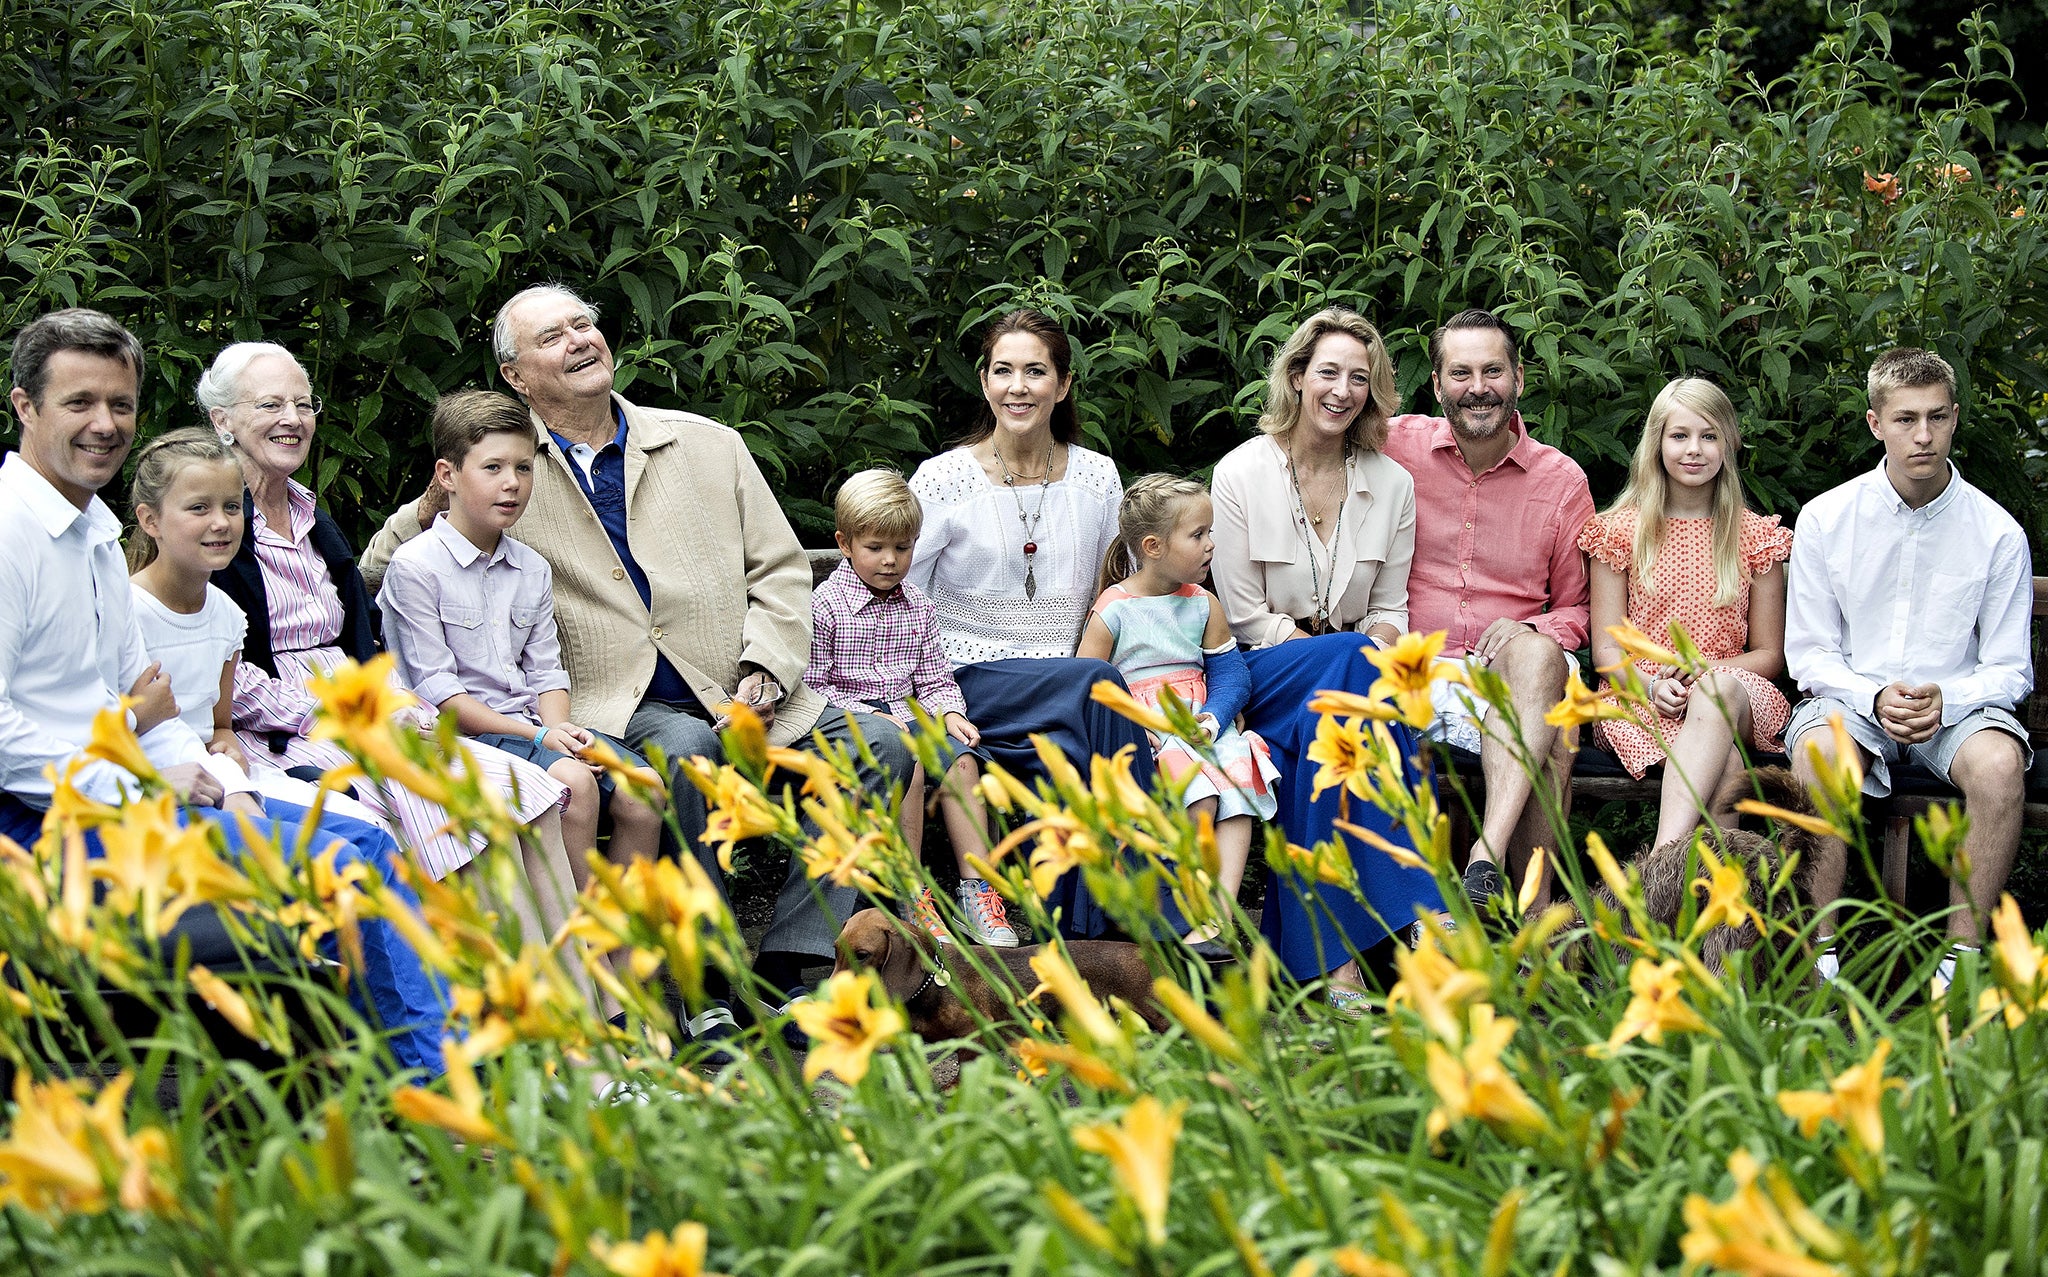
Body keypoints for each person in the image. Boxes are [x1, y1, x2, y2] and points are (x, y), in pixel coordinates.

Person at [360, 284, 913, 1012]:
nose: (580, 339)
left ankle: (788, 957)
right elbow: (380, 564)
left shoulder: (708, 444)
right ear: (516, 377)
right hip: (613, 703)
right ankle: (711, 978)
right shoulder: (504, 465)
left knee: (880, 745)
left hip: (740, 690)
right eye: (552, 336)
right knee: (685, 754)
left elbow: (781, 571)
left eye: (584, 323)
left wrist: (765, 673)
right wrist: (437, 496)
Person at [0, 309, 447, 1073]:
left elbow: (159, 703)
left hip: (129, 797)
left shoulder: (98, 538)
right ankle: (437, 1090)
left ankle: (418, 1079)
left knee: (368, 837)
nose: (104, 424)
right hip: (47, 830)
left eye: (120, 404)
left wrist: (224, 783)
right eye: (79, 403)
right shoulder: (12, 534)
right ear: (24, 406)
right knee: (344, 869)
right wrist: (136, 769)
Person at [202, 342, 580, 923]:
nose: (292, 419)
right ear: (221, 421)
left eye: (304, 404)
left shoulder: (309, 515)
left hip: (365, 702)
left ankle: (584, 1001)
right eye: (271, 404)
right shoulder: (210, 524)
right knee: (450, 808)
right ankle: (489, 995)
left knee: (526, 791)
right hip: (279, 725)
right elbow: (217, 666)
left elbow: (359, 639)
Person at [904, 308, 1158, 940]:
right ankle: (1155, 917)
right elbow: (900, 594)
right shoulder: (943, 479)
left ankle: (1090, 939)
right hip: (964, 682)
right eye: (1003, 370)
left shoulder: (1098, 476)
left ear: (1063, 385)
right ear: (984, 382)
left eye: (1035, 371)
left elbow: (1112, 588)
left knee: (1079, 750)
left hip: (1065, 690)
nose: (1018, 386)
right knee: (1095, 690)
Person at [1210, 307, 1441, 999]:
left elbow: (1390, 610)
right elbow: (1244, 616)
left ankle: (1335, 972)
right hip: (1262, 672)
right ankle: (1427, 908)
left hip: (1344, 685)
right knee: (1343, 669)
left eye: (1359, 378)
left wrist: (1358, 657)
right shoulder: (1240, 473)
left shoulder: (1392, 484)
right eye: (1328, 372)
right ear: (1298, 375)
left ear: (1374, 392)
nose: (1342, 390)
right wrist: (1347, 654)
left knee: (1329, 727)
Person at [1785, 347, 2034, 975]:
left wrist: (1947, 699)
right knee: (1820, 760)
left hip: (1955, 710)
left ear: (1955, 418)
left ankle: (1961, 962)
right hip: (1852, 699)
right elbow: (1809, 651)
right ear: (1876, 424)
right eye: (1905, 419)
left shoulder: (1997, 532)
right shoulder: (1826, 518)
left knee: (2002, 766)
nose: (1923, 435)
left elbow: (2011, 667)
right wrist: (1871, 698)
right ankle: (1819, 963)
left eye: (1937, 417)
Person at [376, 390, 665, 895]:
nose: (512, 484)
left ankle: (622, 962)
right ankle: (578, 958)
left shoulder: (530, 567)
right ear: (447, 476)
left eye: (523, 468)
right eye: (492, 468)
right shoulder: (416, 568)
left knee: (645, 790)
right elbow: (439, 693)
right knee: (573, 789)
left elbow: (547, 672)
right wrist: (539, 739)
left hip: (532, 728)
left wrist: (559, 733)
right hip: (459, 736)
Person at [1384, 308, 1596, 909]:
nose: (1478, 388)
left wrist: (1530, 626)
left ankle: (1486, 855)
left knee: (1539, 663)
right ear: (1437, 384)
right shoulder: (1395, 446)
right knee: (1556, 741)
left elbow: (1576, 609)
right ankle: (1521, 919)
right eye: (1461, 373)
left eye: (1493, 371)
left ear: (1520, 378)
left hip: (1513, 672)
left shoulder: (1561, 481)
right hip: (1415, 666)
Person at [126, 427, 392, 831]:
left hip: (215, 773)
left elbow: (219, 725)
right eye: (199, 508)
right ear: (151, 520)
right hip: (154, 786)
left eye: (232, 507)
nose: (221, 523)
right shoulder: (127, 612)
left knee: (366, 828)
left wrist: (227, 747)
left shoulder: (227, 616)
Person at [1581, 378, 1792, 848]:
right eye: (1679, 436)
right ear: (1657, 443)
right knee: (1728, 767)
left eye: (1709, 435)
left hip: (1735, 689)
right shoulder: (1620, 532)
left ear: (1729, 443)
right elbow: (1608, 650)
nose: (1694, 450)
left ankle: (1658, 866)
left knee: (1715, 695)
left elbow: (1769, 654)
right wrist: (1653, 686)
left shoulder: (1755, 537)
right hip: (1640, 693)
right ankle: (1714, 914)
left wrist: (1707, 671)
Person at [802, 469, 1009, 946]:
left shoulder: (917, 602)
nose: (892, 561)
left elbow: (934, 677)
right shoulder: (826, 606)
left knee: (960, 759)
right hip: (853, 723)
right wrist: (868, 714)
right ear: (845, 543)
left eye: (903, 548)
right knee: (908, 765)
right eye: (876, 548)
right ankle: (910, 892)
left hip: (912, 712)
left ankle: (978, 891)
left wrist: (951, 711)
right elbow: (814, 689)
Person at [1077, 474, 1278, 947]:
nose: (1211, 545)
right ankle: (1191, 904)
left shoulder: (1203, 604)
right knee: (1202, 794)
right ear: (1153, 546)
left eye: (1210, 533)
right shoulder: (1114, 610)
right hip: (1149, 728)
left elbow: (1232, 674)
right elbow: (1087, 682)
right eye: (1198, 535)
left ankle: (1222, 915)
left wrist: (1213, 717)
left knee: (1235, 784)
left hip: (1199, 722)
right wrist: (1130, 723)